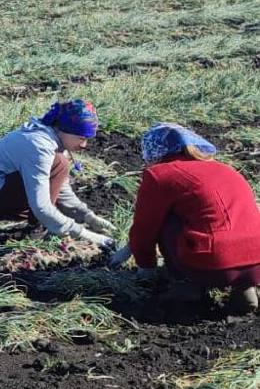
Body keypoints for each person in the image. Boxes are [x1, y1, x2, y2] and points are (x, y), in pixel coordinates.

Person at [109, 124, 260, 314]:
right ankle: (245, 286)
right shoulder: (225, 169)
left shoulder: (160, 174)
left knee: (167, 219)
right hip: (256, 260)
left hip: (212, 263)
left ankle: (188, 285)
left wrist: (146, 268)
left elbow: (144, 229)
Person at [0, 99, 116, 248]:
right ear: (64, 130)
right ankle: (36, 229)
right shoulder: (40, 146)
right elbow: (41, 205)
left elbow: (60, 188)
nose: (84, 145)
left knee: (59, 166)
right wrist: (85, 234)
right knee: (60, 165)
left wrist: (86, 215)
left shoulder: (55, 139)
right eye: (81, 138)